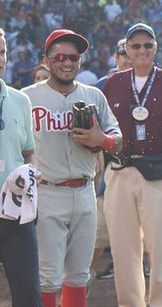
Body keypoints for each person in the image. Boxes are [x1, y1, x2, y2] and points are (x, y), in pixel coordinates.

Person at [22, 29, 122, 307]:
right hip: (47, 192)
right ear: (46, 60)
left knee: (78, 275)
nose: (67, 62)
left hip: (85, 191)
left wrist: (102, 139)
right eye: (60, 57)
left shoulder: (94, 95)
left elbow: (119, 141)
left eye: (74, 57)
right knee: (47, 277)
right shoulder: (27, 98)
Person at [102, 23, 162, 307]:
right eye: (135, 46)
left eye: (147, 45)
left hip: (159, 173)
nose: (141, 50)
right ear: (126, 51)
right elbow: (105, 133)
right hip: (120, 172)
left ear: (155, 48)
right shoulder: (114, 84)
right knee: (123, 248)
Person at [0, 27, 42, 307]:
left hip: (15, 213)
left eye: (2, 51)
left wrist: (31, 175)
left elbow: (29, 153)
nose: (0, 58)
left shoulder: (19, 100)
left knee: (28, 297)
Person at [93, 38, 133, 280]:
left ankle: (138, 267)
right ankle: (86, 273)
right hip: (110, 162)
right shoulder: (103, 85)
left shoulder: (148, 83)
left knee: (141, 227)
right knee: (100, 226)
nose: (127, 57)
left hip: (141, 164)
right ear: (116, 57)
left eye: (130, 52)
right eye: (123, 53)